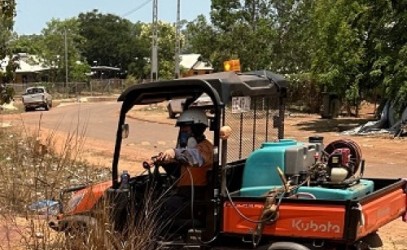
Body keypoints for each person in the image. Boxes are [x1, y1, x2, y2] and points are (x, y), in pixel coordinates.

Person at [155, 108, 213, 228]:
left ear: (197, 129)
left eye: (185, 129)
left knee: (157, 209)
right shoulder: (190, 149)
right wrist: (164, 162)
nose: (182, 133)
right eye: (181, 129)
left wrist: (175, 153)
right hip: (185, 196)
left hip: (195, 199)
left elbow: (195, 158)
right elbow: (180, 173)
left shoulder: (206, 148)